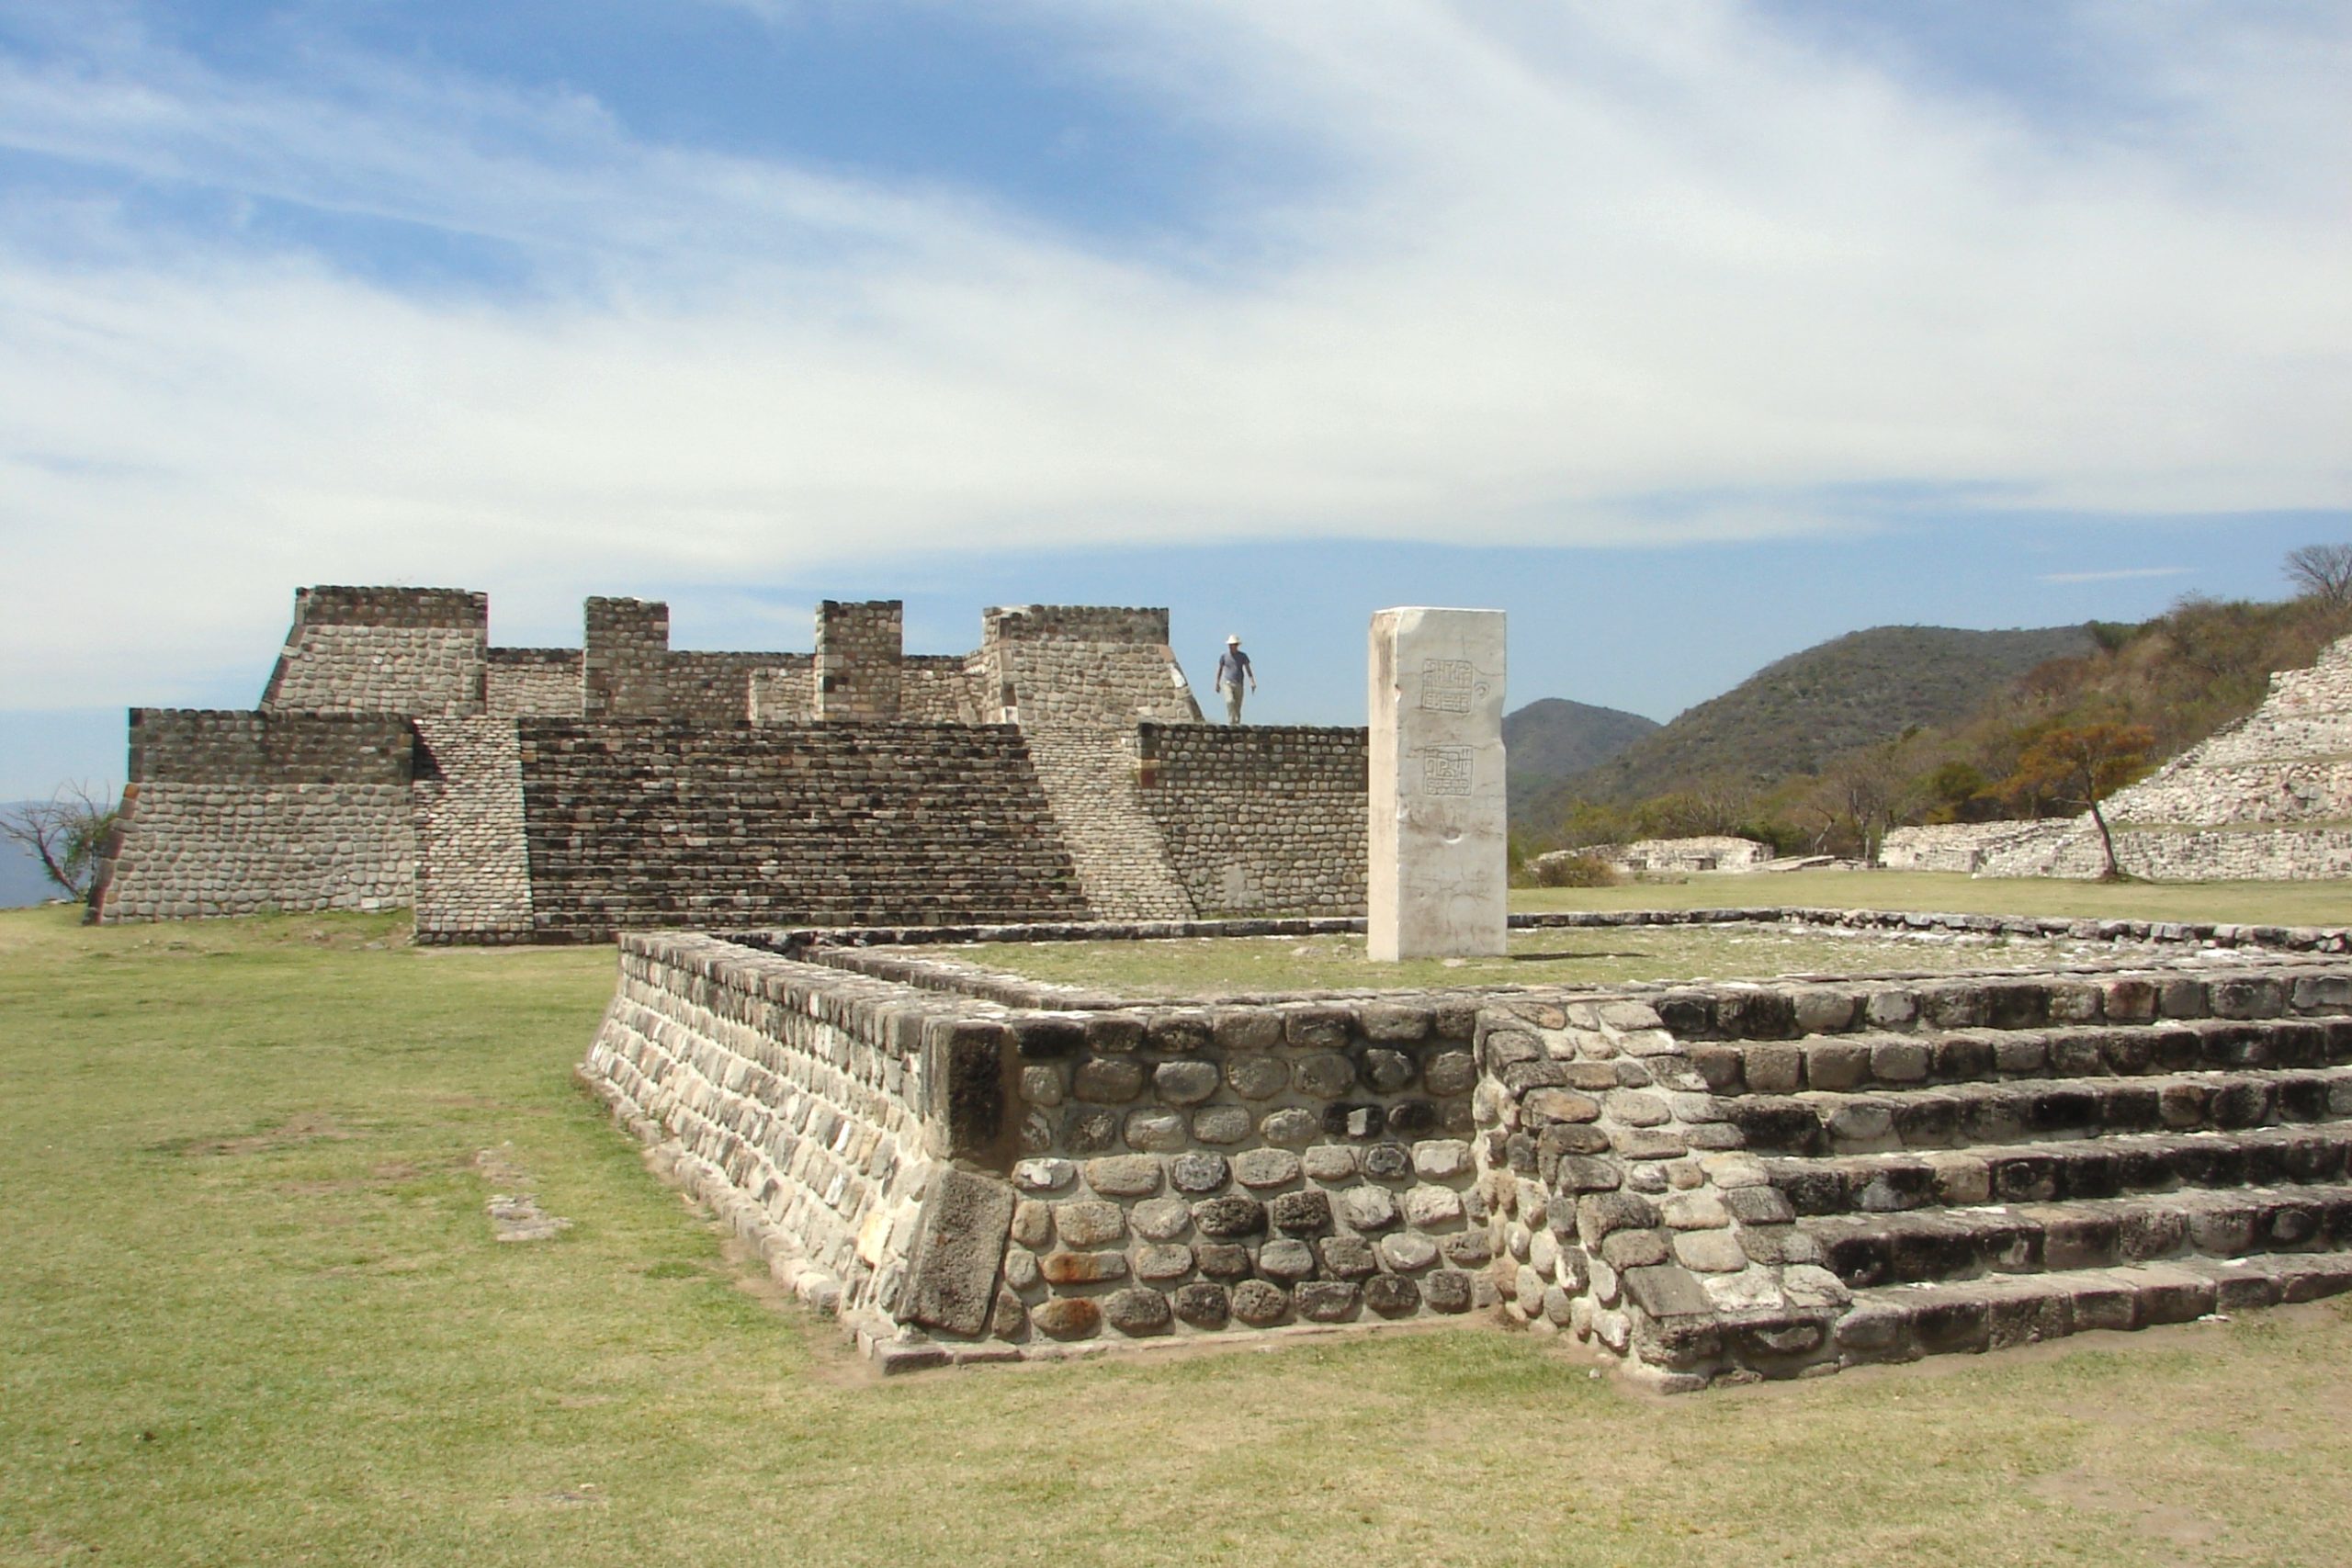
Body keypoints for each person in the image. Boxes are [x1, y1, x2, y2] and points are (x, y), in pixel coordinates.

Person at [1214, 635, 1256, 724]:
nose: (1232, 646)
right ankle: (1231, 722)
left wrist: (1252, 681)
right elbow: (1220, 670)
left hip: (1239, 683)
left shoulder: (1243, 656)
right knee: (1230, 701)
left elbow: (1248, 669)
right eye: (1230, 644)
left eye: (1233, 644)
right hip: (1227, 682)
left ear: (1237, 645)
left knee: (1237, 706)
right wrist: (1217, 683)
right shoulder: (1224, 656)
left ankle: (1236, 724)